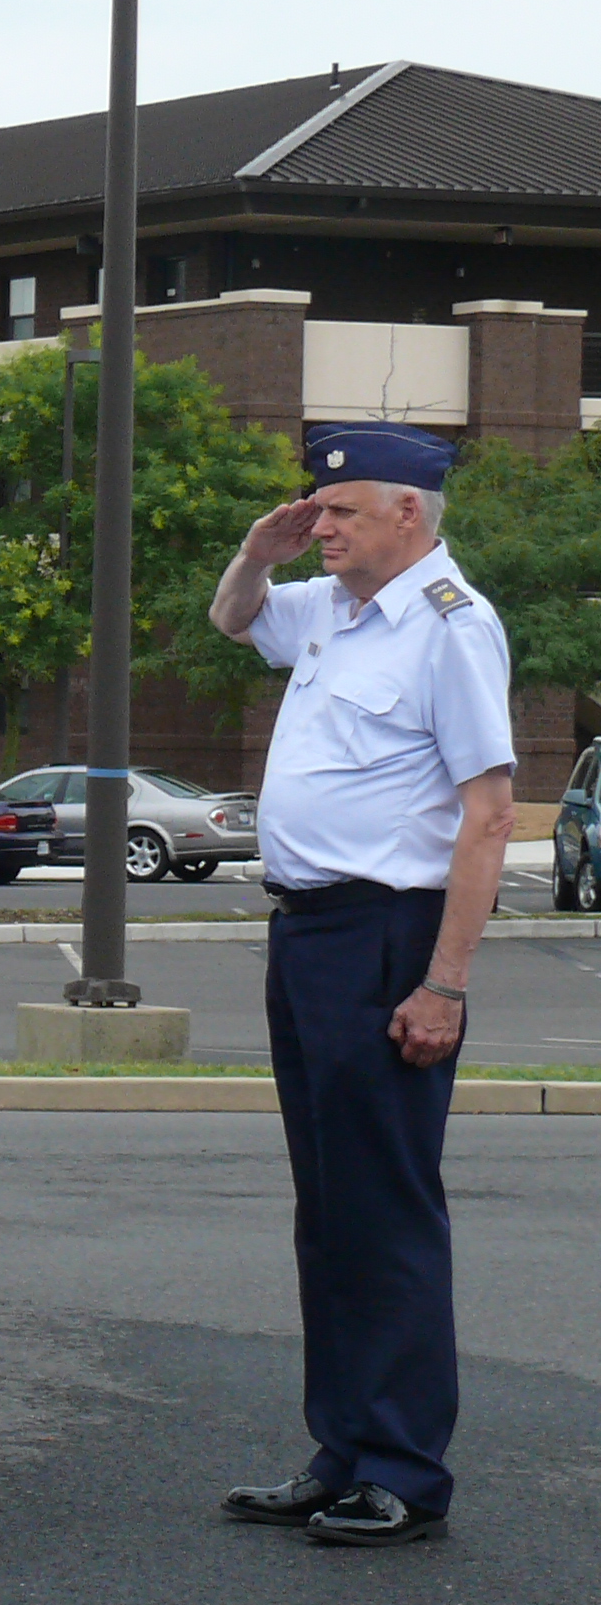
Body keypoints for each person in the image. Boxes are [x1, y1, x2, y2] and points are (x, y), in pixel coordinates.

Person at [207, 424, 514, 1548]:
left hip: (389, 934)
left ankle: (403, 1469)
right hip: (309, 933)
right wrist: (259, 551)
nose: (320, 525)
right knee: (329, 1208)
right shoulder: (332, 608)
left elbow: (489, 815)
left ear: (409, 515)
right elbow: (234, 619)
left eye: (341, 512)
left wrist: (445, 984)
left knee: (384, 1207)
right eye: (317, 510)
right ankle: (340, 1449)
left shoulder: (450, 627)